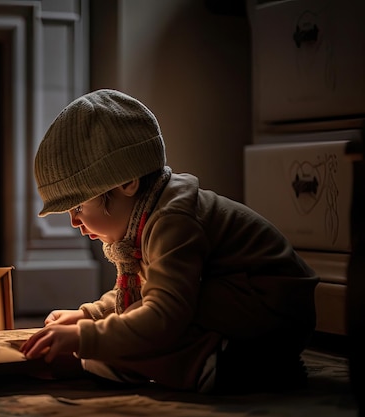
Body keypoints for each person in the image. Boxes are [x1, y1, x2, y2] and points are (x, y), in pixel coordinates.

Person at [20, 89, 319, 394]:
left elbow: (164, 313)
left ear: (126, 183)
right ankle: (167, 362)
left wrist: (85, 337)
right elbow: (139, 291)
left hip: (274, 312)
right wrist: (90, 314)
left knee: (153, 327)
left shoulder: (172, 220)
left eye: (79, 207)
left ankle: (231, 368)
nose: (74, 222)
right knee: (133, 331)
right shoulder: (145, 219)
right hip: (239, 305)